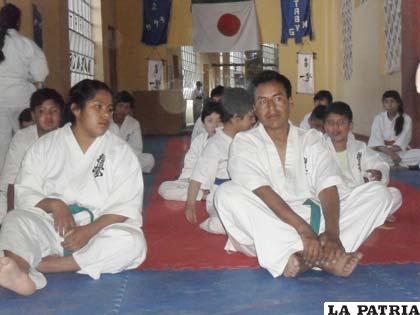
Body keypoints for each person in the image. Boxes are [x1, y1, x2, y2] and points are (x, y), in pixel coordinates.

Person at [214, 70, 393, 278]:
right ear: (254, 108)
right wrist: (304, 231)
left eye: (278, 99)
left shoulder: (312, 138)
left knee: (380, 194)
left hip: (317, 223)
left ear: (290, 102)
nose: (271, 107)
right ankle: (321, 257)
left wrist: (333, 233)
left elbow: (327, 185)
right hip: (269, 224)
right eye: (263, 101)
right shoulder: (244, 142)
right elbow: (262, 191)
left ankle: (307, 256)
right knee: (226, 194)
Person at [0, 79, 147, 296]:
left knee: (133, 243)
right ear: (76, 110)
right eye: (97, 107)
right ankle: (20, 272)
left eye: (109, 109)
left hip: (97, 229)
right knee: (14, 220)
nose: (106, 115)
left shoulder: (120, 151)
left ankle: (50, 265)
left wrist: (88, 231)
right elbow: (25, 191)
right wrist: (54, 204)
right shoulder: (45, 146)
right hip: (50, 225)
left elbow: (126, 204)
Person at [185, 88, 255, 234]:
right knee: (228, 223)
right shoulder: (215, 145)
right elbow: (197, 177)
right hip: (220, 200)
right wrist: (190, 204)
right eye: (250, 117)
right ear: (236, 118)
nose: (254, 121)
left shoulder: (248, 140)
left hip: (245, 197)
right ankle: (214, 223)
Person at [323, 101, 402, 221]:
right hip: (333, 199)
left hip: (357, 197)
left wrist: (379, 173)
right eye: (331, 123)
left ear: (350, 125)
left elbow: (380, 163)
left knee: (394, 194)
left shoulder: (359, 147)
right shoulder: (318, 149)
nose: (336, 127)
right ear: (325, 126)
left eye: (342, 122)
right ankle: (373, 214)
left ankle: (362, 215)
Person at [0, 88, 64, 221]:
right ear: (33, 115)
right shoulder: (22, 138)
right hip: (21, 194)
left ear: (61, 115)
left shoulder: (67, 138)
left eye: (54, 111)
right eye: (41, 111)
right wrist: (12, 216)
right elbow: (11, 181)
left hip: (55, 199)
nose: (48, 116)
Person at [0, 4, 49, 170]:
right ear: (18, 22)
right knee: (25, 141)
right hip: (22, 98)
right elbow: (40, 73)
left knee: (2, 147)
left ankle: (2, 190)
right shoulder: (26, 44)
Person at [158, 100, 223, 201]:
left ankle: (204, 195)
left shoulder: (227, 142)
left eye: (218, 121)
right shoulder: (199, 140)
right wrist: (188, 180)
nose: (214, 125)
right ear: (203, 123)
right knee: (164, 188)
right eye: (210, 121)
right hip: (196, 184)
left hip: (216, 185)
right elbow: (190, 165)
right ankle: (203, 196)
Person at [368, 90, 420, 169]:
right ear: (383, 104)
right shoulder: (378, 118)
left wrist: (392, 153)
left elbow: (402, 143)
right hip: (383, 152)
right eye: (386, 102)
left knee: (418, 154)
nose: (389, 105)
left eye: (392, 101)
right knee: (368, 155)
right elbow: (376, 143)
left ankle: (390, 165)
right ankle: (404, 166)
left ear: (398, 103)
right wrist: (392, 154)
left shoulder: (406, 119)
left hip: (399, 153)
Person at [110, 91, 155, 173]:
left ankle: (121, 172)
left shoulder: (134, 123)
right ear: (114, 106)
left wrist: (124, 154)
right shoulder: (105, 121)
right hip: (110, 158)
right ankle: (125, 172)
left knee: (149, 159)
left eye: (126, 107)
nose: (123, 110)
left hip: (127, 159)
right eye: (120, 106)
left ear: (130, 109)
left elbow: (137, 149)